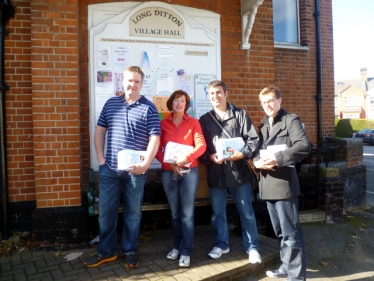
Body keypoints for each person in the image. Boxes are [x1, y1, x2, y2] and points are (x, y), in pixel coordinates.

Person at [84, 66, 161, 269]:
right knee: (106, 212)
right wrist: (101, 160)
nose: (132, 84)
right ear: (122, 81)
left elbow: (155, 138)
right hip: (110, 169)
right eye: (129, 80)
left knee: (133, 213)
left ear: (141, 84)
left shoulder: (149, 107)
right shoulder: (111, 104)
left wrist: (145, 165)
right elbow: (100, 131)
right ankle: (105, 251)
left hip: (136, 171)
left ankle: (130, 250)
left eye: (136, 81)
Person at [199, 80, 262, 264]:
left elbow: (253, 140)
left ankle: (252, 248)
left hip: (239, 172)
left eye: (218, 92)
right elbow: (200, 148)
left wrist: (241, 154)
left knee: (247, 212)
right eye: (212, 94)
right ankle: (221, 244)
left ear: (226, 93)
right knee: (218, 213)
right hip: (216, 172)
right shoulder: (205, 120)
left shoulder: (240, 115)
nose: (215, 96)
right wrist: (209, 157)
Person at [253, 86, 311, 280]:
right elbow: (257, 152)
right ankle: (286, 267)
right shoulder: (263, 125)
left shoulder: (290, 120)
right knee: (280, 233)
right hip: (268, 186)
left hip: (284, 186)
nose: (268, 105)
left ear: (279, 100)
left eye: (271, 100)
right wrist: (256, 162)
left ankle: (296, 276)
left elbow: (303, 146)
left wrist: (277, 158)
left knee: (291, 234)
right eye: (264, 102)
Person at [155, 90, 207, 267]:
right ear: (171, 103)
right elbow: (156, 149)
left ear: (187, 104)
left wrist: (186, 158)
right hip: (168, 172)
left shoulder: (194, 123)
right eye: (176, 101)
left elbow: (201, 146)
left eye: (182, 101)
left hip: (188, 172)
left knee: (187, 215)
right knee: (175, 214)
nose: (179, 104)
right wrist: (169, 164)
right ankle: (176, 246)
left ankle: (186, 250)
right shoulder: (162, 124)